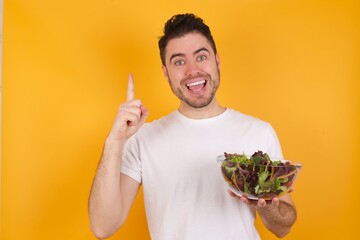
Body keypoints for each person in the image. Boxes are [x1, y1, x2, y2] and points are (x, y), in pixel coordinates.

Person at [88, 13, 297, 240]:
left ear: (217, 60)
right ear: (166, 73)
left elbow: (283, 227)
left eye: (201, 57)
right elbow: (102, 227)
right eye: (179, 61)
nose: (192, 70)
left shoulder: (258, 132)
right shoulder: (143, 138)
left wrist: (266, 205)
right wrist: (115, 141)